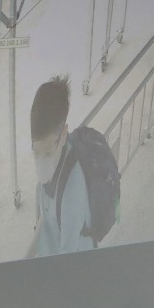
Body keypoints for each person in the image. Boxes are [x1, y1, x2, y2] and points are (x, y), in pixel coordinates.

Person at [28, 76, 94, 258]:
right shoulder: (53, 163)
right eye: (36, 152)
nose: (41, 162)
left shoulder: (72, 192)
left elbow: (66, 265)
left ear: (63, 135)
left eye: (48, 153)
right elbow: (46, 219)